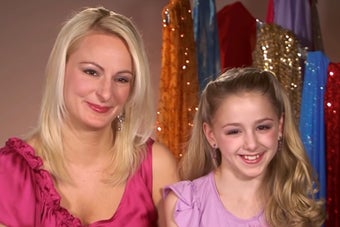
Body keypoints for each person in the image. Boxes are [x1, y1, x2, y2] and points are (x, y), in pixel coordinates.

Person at [0, 6, 178, 227]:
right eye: (91, 72)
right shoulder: (9, 172)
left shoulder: (156, 167)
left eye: (121, 79)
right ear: (61, 71)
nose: (105, 93)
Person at [163, 67, 326, 226]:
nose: (252, 144)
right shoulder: (185, 207)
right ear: (211, 135)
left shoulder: (296, 207)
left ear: (280, 127)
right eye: (234, 131)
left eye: (262, 127)